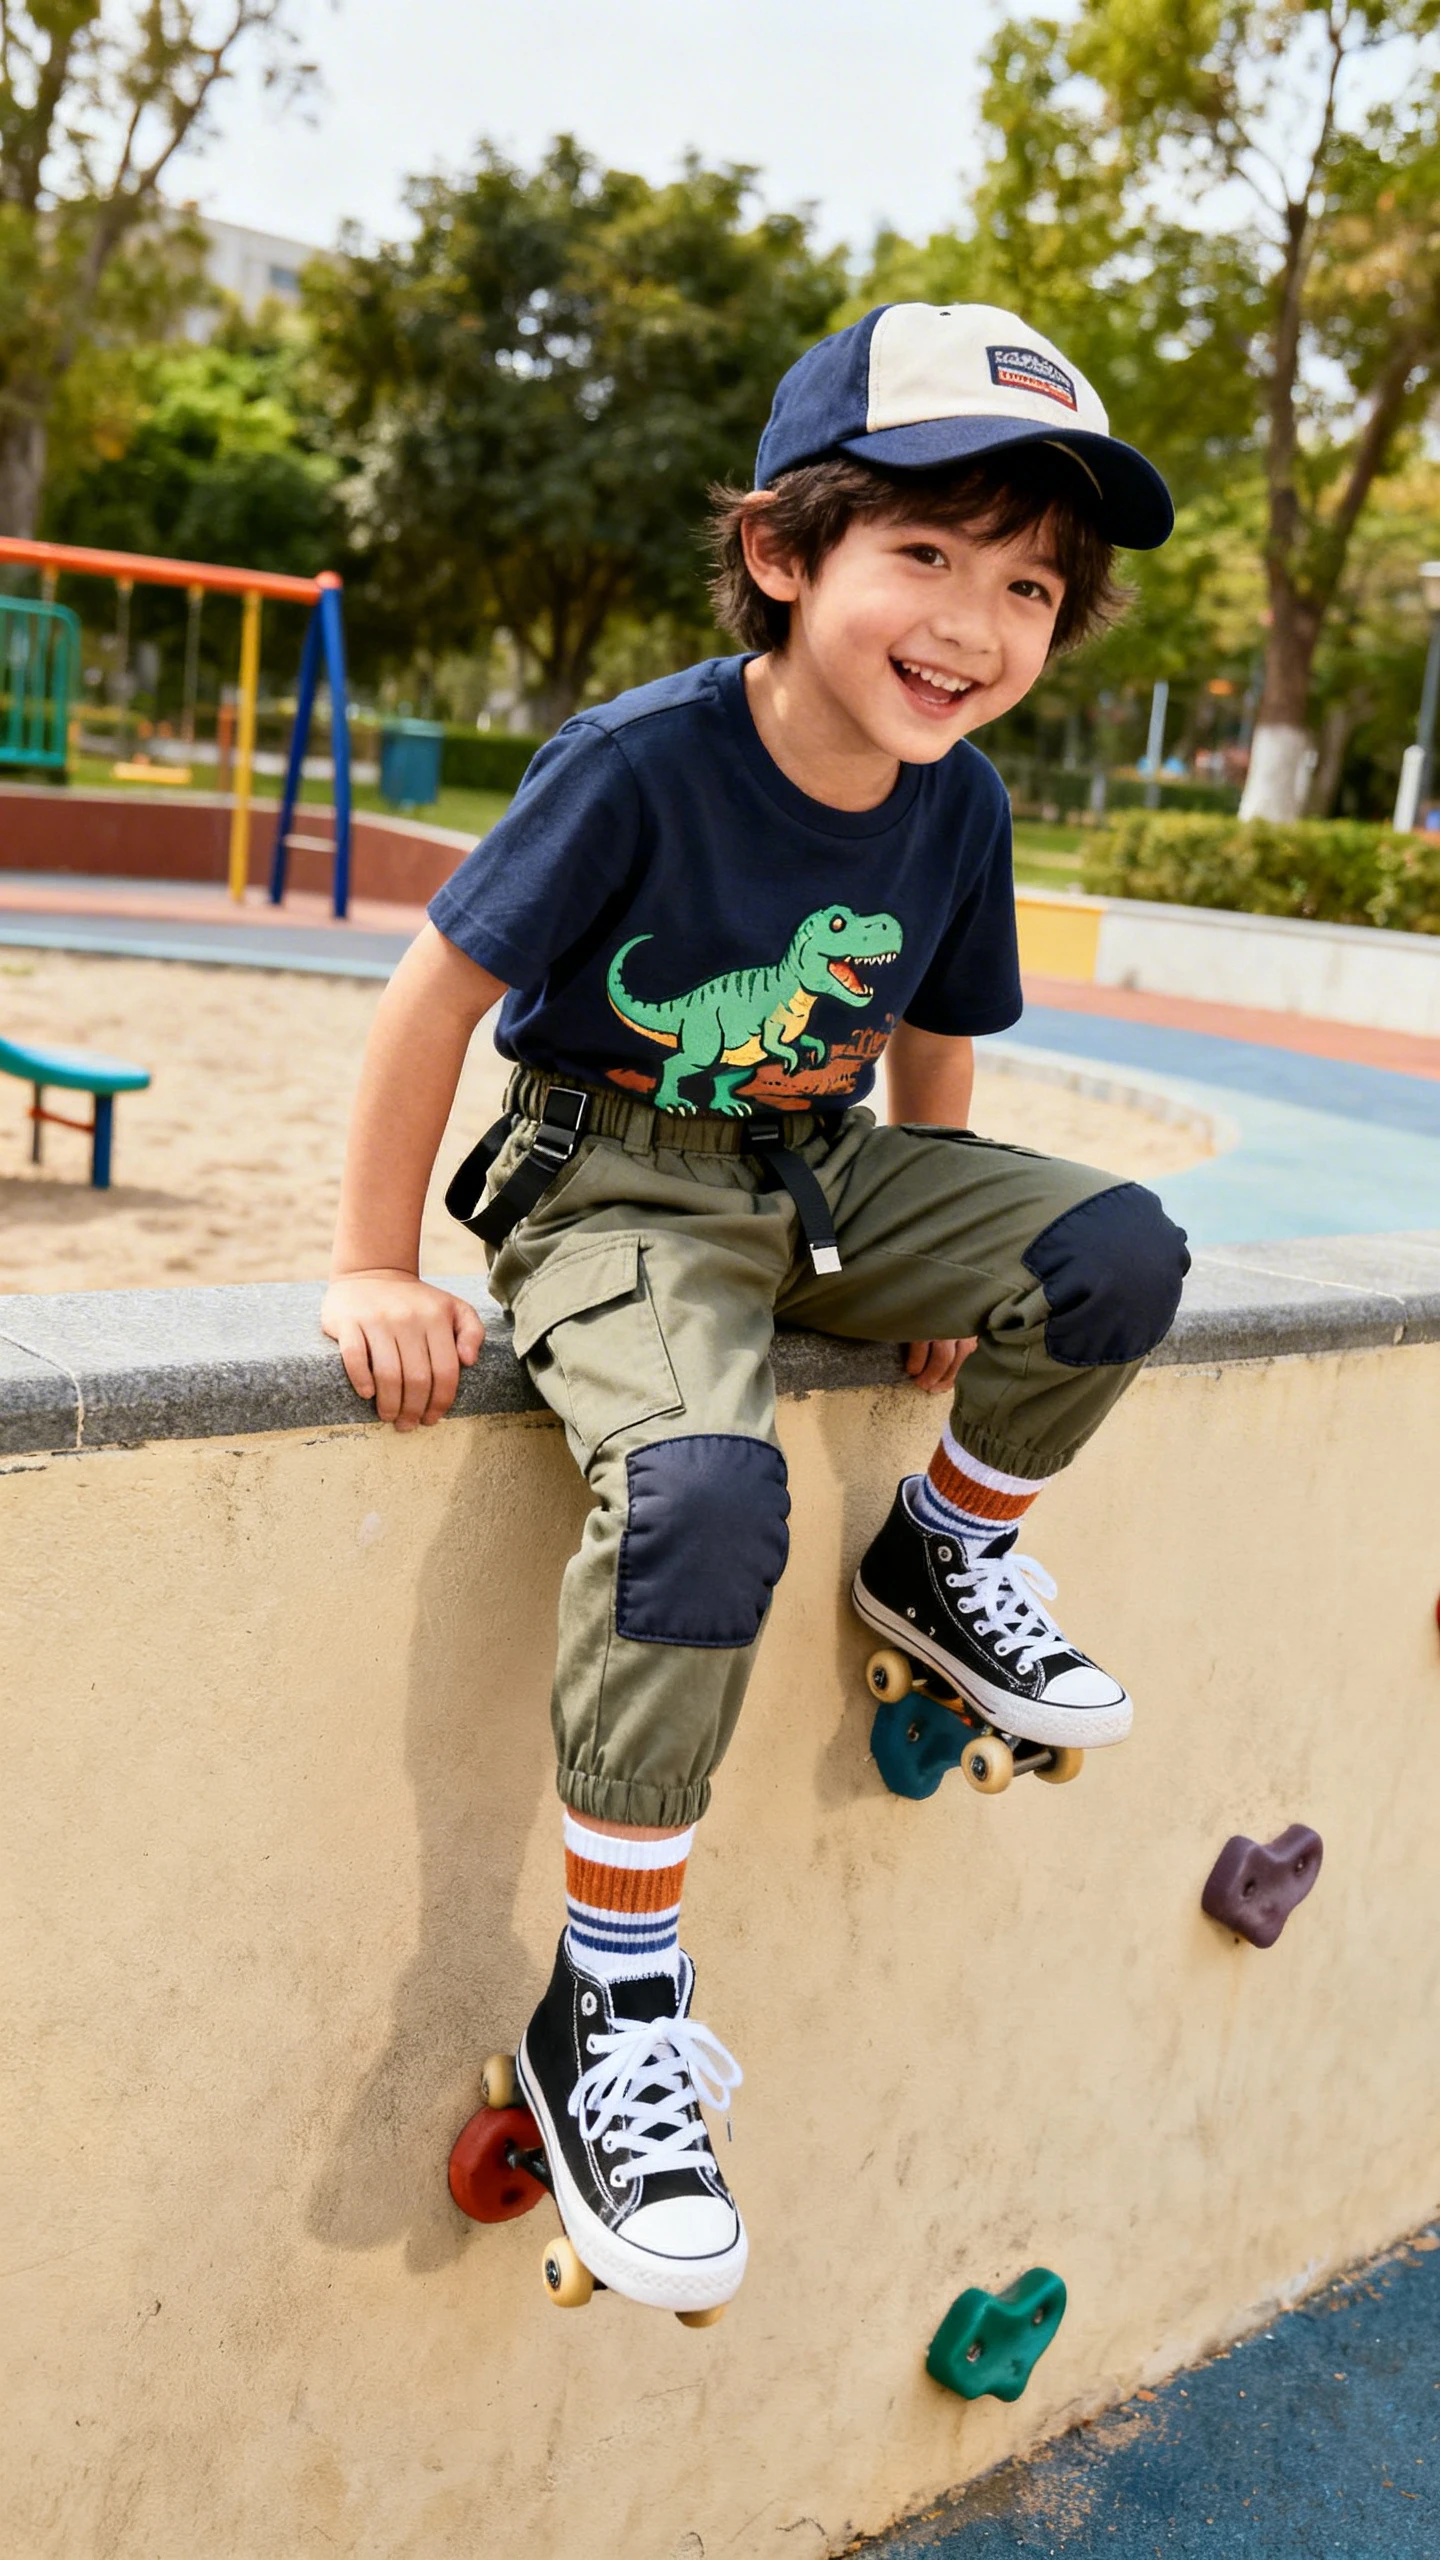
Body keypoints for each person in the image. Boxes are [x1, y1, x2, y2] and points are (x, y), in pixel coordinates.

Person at [322, 302, 1189, 2320]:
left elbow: (936, 1055)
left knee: (1119, 1247)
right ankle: (610, 2000)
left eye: (1028, 582)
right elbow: (432, 994)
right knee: (705, 1488)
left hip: (812, 1178)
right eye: (926, 556)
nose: (975, 622)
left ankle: (947, 1550)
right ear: (789, 553)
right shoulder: (641, 758)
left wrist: (960, 1277)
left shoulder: (957, 805)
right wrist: (376, 1263)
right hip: (612, 1174)